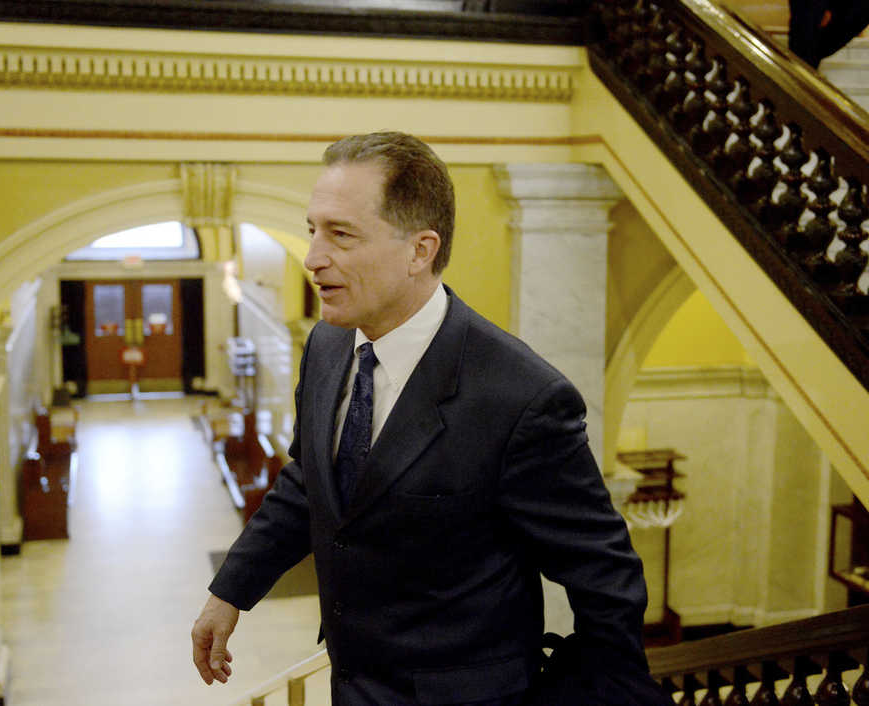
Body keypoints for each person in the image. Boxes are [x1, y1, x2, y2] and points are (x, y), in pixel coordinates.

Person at [192, 131, 665, 705]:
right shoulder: (327, 346)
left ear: (420, 250)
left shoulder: (522, 399)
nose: (313, 256)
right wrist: (232, 591)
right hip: (354, 686)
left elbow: (606, 580)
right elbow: (311, 480)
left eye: (340, 234)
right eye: (313, 228)